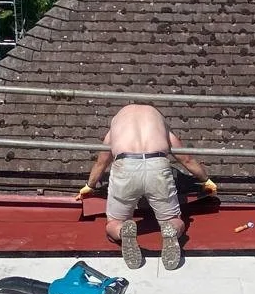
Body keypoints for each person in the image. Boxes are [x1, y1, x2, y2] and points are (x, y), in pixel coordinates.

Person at [78, 104, 217, 270]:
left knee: (114, 221)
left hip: (126, 165)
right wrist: (206, 180)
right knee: (173, 218)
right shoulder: (158, 120)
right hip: (157, 165)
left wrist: (89, 186)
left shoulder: (117, 121)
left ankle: (122, 231)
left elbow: (101, 162)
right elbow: (185, 158)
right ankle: (171, 228)